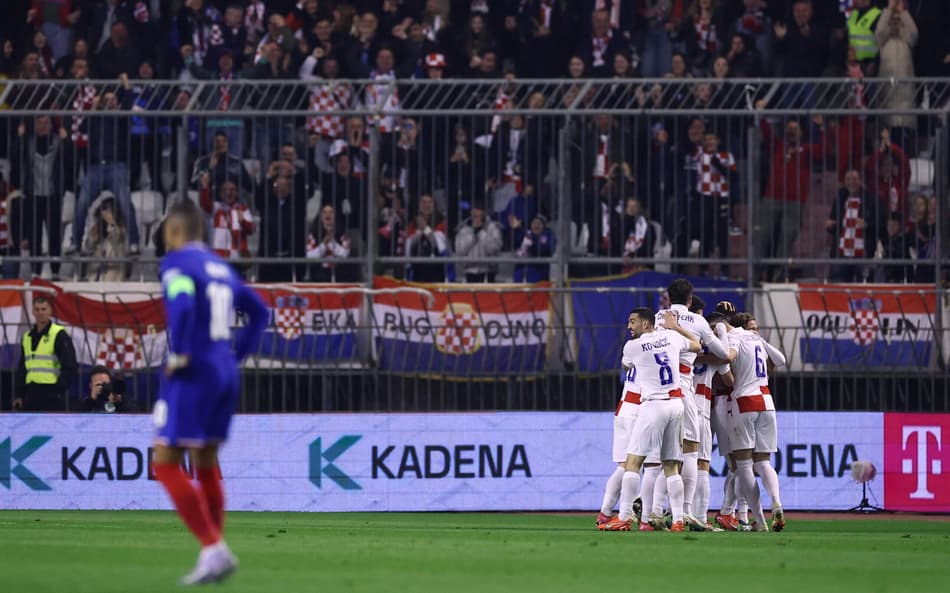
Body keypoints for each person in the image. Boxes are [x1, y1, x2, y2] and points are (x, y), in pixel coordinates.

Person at [153, 198, 268, 585]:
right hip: (224, 371)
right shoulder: (222, 268)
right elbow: (261, 311)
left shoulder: (176, 264)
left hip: (195, 369)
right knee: (205, 461)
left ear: (174, 231)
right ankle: (213, 553)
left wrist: (181, 354)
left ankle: (212, 546)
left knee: (165, 460)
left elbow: (182, 306)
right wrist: (235, 356)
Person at [599, 308, 702, 532]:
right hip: (676, 404)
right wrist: (675, 327)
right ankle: (677, 520)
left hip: (653, 405)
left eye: (633, 322)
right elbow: (697, 345)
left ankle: (624, 516)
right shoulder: (673, 337)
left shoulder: (632, 347)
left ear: (645, 324)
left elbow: (627, 365)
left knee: (633, 463)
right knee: (672, 467)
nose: (629, 327)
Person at [652, 278, 729, 530]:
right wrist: (720, 333)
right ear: (690, 299)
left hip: (659, 390)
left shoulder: (659, 317)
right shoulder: (698, 321)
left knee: (664, 457)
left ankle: (653, 511)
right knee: (692, 453)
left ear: (667, 296)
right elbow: (723, 354)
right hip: (685, 391)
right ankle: (687, 512)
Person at [723, 312, 788, 532]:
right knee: (763, 461)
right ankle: (776, 501)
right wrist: (760, 339)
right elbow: (781, 360)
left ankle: (760, 521)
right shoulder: (758, 340)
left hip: (745, 401)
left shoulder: (737, 337)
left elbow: (729, 356)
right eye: (753, 326)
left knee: (743, 464)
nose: (756, 330)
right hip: (767, 401)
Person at [14, 296, 78, 411]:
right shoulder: (27, 337)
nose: (40, 313)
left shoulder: (59, 334)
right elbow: (22, 368)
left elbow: (70, 366)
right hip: (31, 392)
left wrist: (59, 389)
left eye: (44, 309)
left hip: (51, 393)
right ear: (33, 311)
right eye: (37, 309)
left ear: (50, 311)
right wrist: (19, 394)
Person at [454, 202, 503, 283]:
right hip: (469, 271)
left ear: (484, 212)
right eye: (474, 210)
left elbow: (494, 249)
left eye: (478, 210)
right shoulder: (463, 229)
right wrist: (473, 236)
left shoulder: (493, 228)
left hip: (488, 271)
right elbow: (460, 251)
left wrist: (481, 232)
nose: (475, 213)